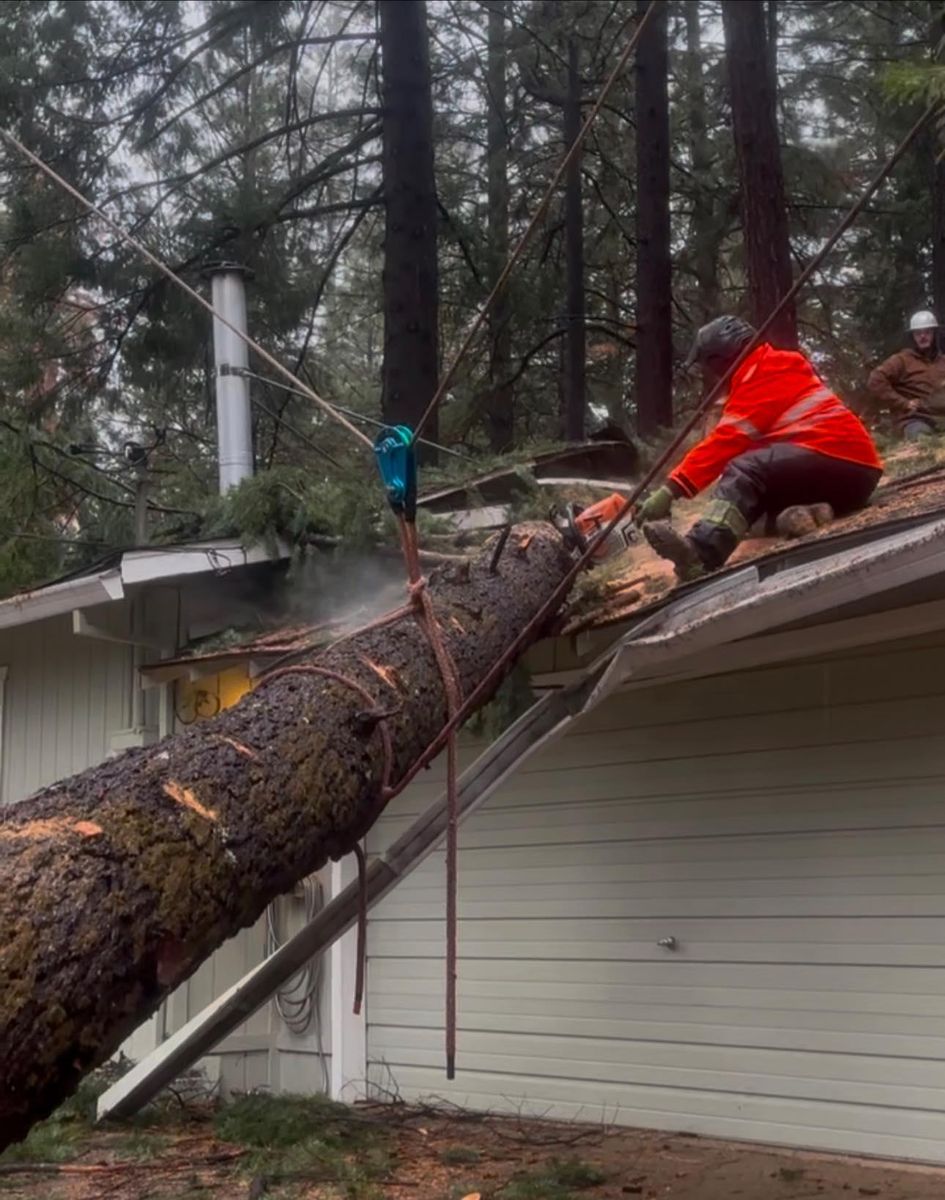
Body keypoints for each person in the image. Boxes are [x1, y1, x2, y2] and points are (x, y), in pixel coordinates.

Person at [635, 315, 883, 582]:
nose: (710, 373)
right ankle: (802, 514)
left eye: (709, 364)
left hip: (843, 460)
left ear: (723, 356)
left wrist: (671, 489)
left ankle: (700, 555)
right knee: (747, 501)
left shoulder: (765, 370)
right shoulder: (766, 369)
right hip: (845, 473)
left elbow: (725, 442)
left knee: (744, 469)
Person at [868, 310, 945, 439]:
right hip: (915, 419)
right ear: (912, 337)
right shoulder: (901, 360)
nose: (923, 337)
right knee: (922, 439)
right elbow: (876, 380)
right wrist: (903, 403)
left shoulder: (942, 361)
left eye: (927, 332)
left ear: (934, 334)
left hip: (941, 417)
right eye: (918, 333)